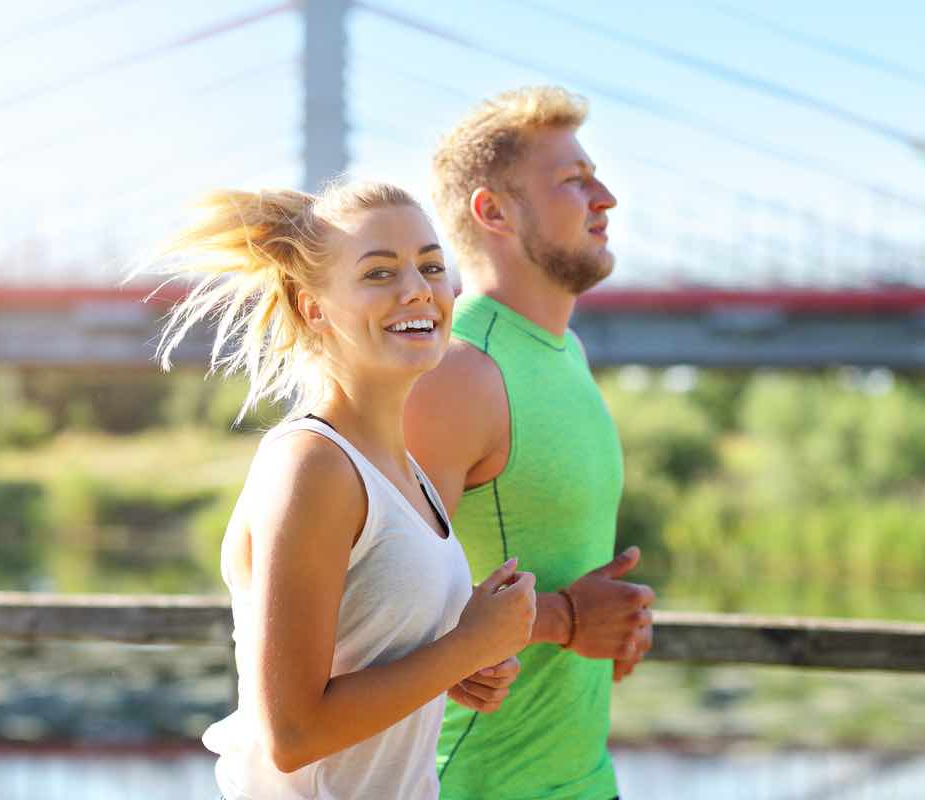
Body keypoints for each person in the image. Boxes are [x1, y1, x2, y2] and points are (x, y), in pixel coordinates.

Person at [144, 181, 536, 799]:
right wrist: (463, 649)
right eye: (380, 272)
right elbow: (294, 733)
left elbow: (364, 658)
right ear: (313, 308)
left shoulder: (406, 474)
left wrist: (455, 668)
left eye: (431, 265)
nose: (418, 289)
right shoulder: (314, 466)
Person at [404, 86, 656, 799]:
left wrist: (606, 628)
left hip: (584, 781)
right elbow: (370, 604)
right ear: (494, 212)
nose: (605, 197)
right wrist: (567, 620)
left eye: (595, 176)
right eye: (574, 181)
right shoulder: (458, 371)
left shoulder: (564, 352)